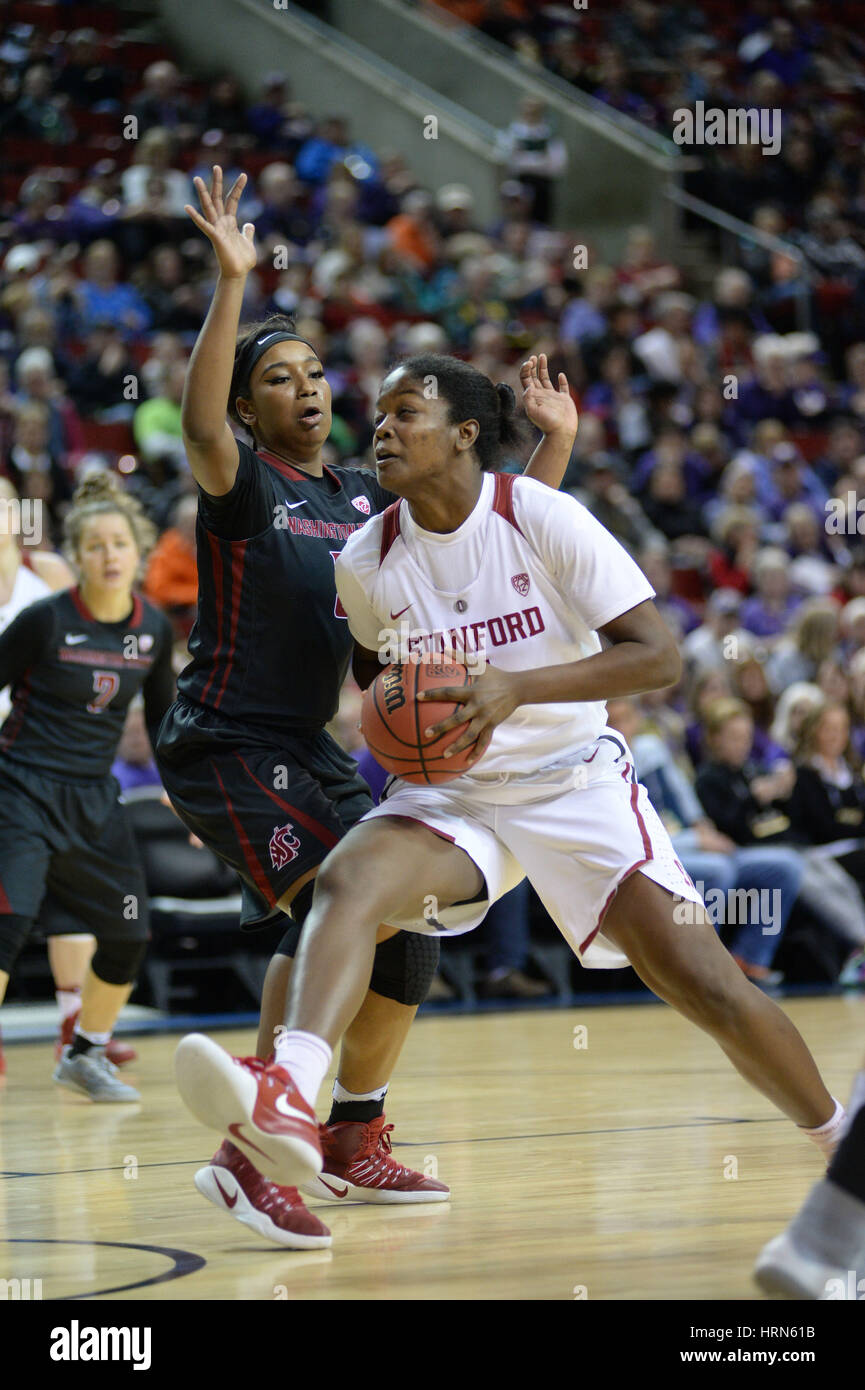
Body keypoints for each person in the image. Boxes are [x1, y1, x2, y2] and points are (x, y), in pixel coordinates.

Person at [174, 353, 845, 1217]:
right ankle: (287, 1090)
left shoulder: (543, 514)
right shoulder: (366, 556)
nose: (380, 428)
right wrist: (410, 712)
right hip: (455, 795)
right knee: (350, 878)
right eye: (376, 415)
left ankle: (837, 1142)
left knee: (705, 984)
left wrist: (512, 688)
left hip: (572, 784)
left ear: (463, 433)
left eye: (404, 411)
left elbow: (658, 657)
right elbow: (383, 675)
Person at [156, 167, 576, 1248]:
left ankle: (352, 1135)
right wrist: (231, 284)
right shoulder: (244, 484)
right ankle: (248, 1159)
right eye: (278, 380)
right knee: (332, 901)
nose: (306, 390)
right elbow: (199, 421)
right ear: (250, 409)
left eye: (313, 375)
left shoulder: (359, 500)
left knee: (411, 943)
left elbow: (485, 535)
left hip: (312, 745)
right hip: (228, 741)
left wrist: (552, 447)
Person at [0, 472, 174, 1100]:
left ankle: (84, 1053)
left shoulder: (153, 630)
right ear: (76, 556)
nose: (108, 555)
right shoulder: (44, 622)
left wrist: (183, 793)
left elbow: (162, 721)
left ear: (138, 552)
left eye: (118, 544)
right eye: (94, 546)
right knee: (8, 923)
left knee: (128, 930)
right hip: (19, 788)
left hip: (93, 798)